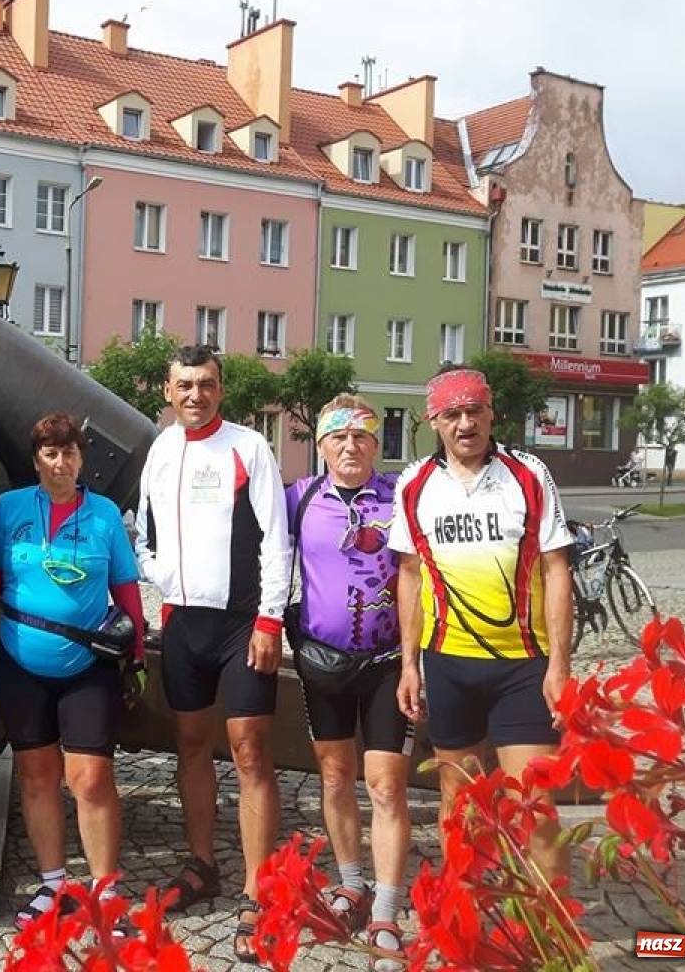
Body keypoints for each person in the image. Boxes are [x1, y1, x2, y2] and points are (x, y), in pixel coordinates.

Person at [134, 344, 291, 964]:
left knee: (251, 752)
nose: (195, 394)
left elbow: (276, 539)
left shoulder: (249, 447)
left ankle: (258, 888)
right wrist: (162, 580)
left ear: (220, 391)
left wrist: (270, 618)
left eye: (206, 384)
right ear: (168, 393)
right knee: (192, 745)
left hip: (240, 624)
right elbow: (142, 527)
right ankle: (203, 865)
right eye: (184, 385)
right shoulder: (161, 449)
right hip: (182, 623)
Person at [388, 367, 574, 882]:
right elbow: (408, 575)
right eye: (452, 414)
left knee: (535, 803)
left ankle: (552, 939)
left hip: (523, 667)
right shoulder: (414, 484)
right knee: (460, 803)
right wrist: (409, 665)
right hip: (449, 665)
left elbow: (558, 568)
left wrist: (560, 664)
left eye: (475, 411)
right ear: (434, 422)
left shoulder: (528, 473)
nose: (465, 423)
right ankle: (466, 929)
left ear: (492, 414)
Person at [0, 413, 147, 929]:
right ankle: (53, 884)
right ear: (36, 460)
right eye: (50, 453)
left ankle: (104, 889)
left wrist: (136, 655)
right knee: (36, 776)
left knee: (91, 778)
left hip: (87, 664)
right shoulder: (9, 509)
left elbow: (127, 589)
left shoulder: (104, 516)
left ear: (81, 459)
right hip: (20, 661)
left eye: (69, 452)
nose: (60, 462)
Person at [286, 395, 410, 971]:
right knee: (335, 776)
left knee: (384, 784)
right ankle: (352, 882)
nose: (351, 446)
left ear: (376, 444)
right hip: (325, 662)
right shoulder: (300, 498)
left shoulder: (402, 498)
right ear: (322, 445)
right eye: (339, 437)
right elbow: (258, 557)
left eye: (362, 436)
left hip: (388, 662)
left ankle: (385, 904)